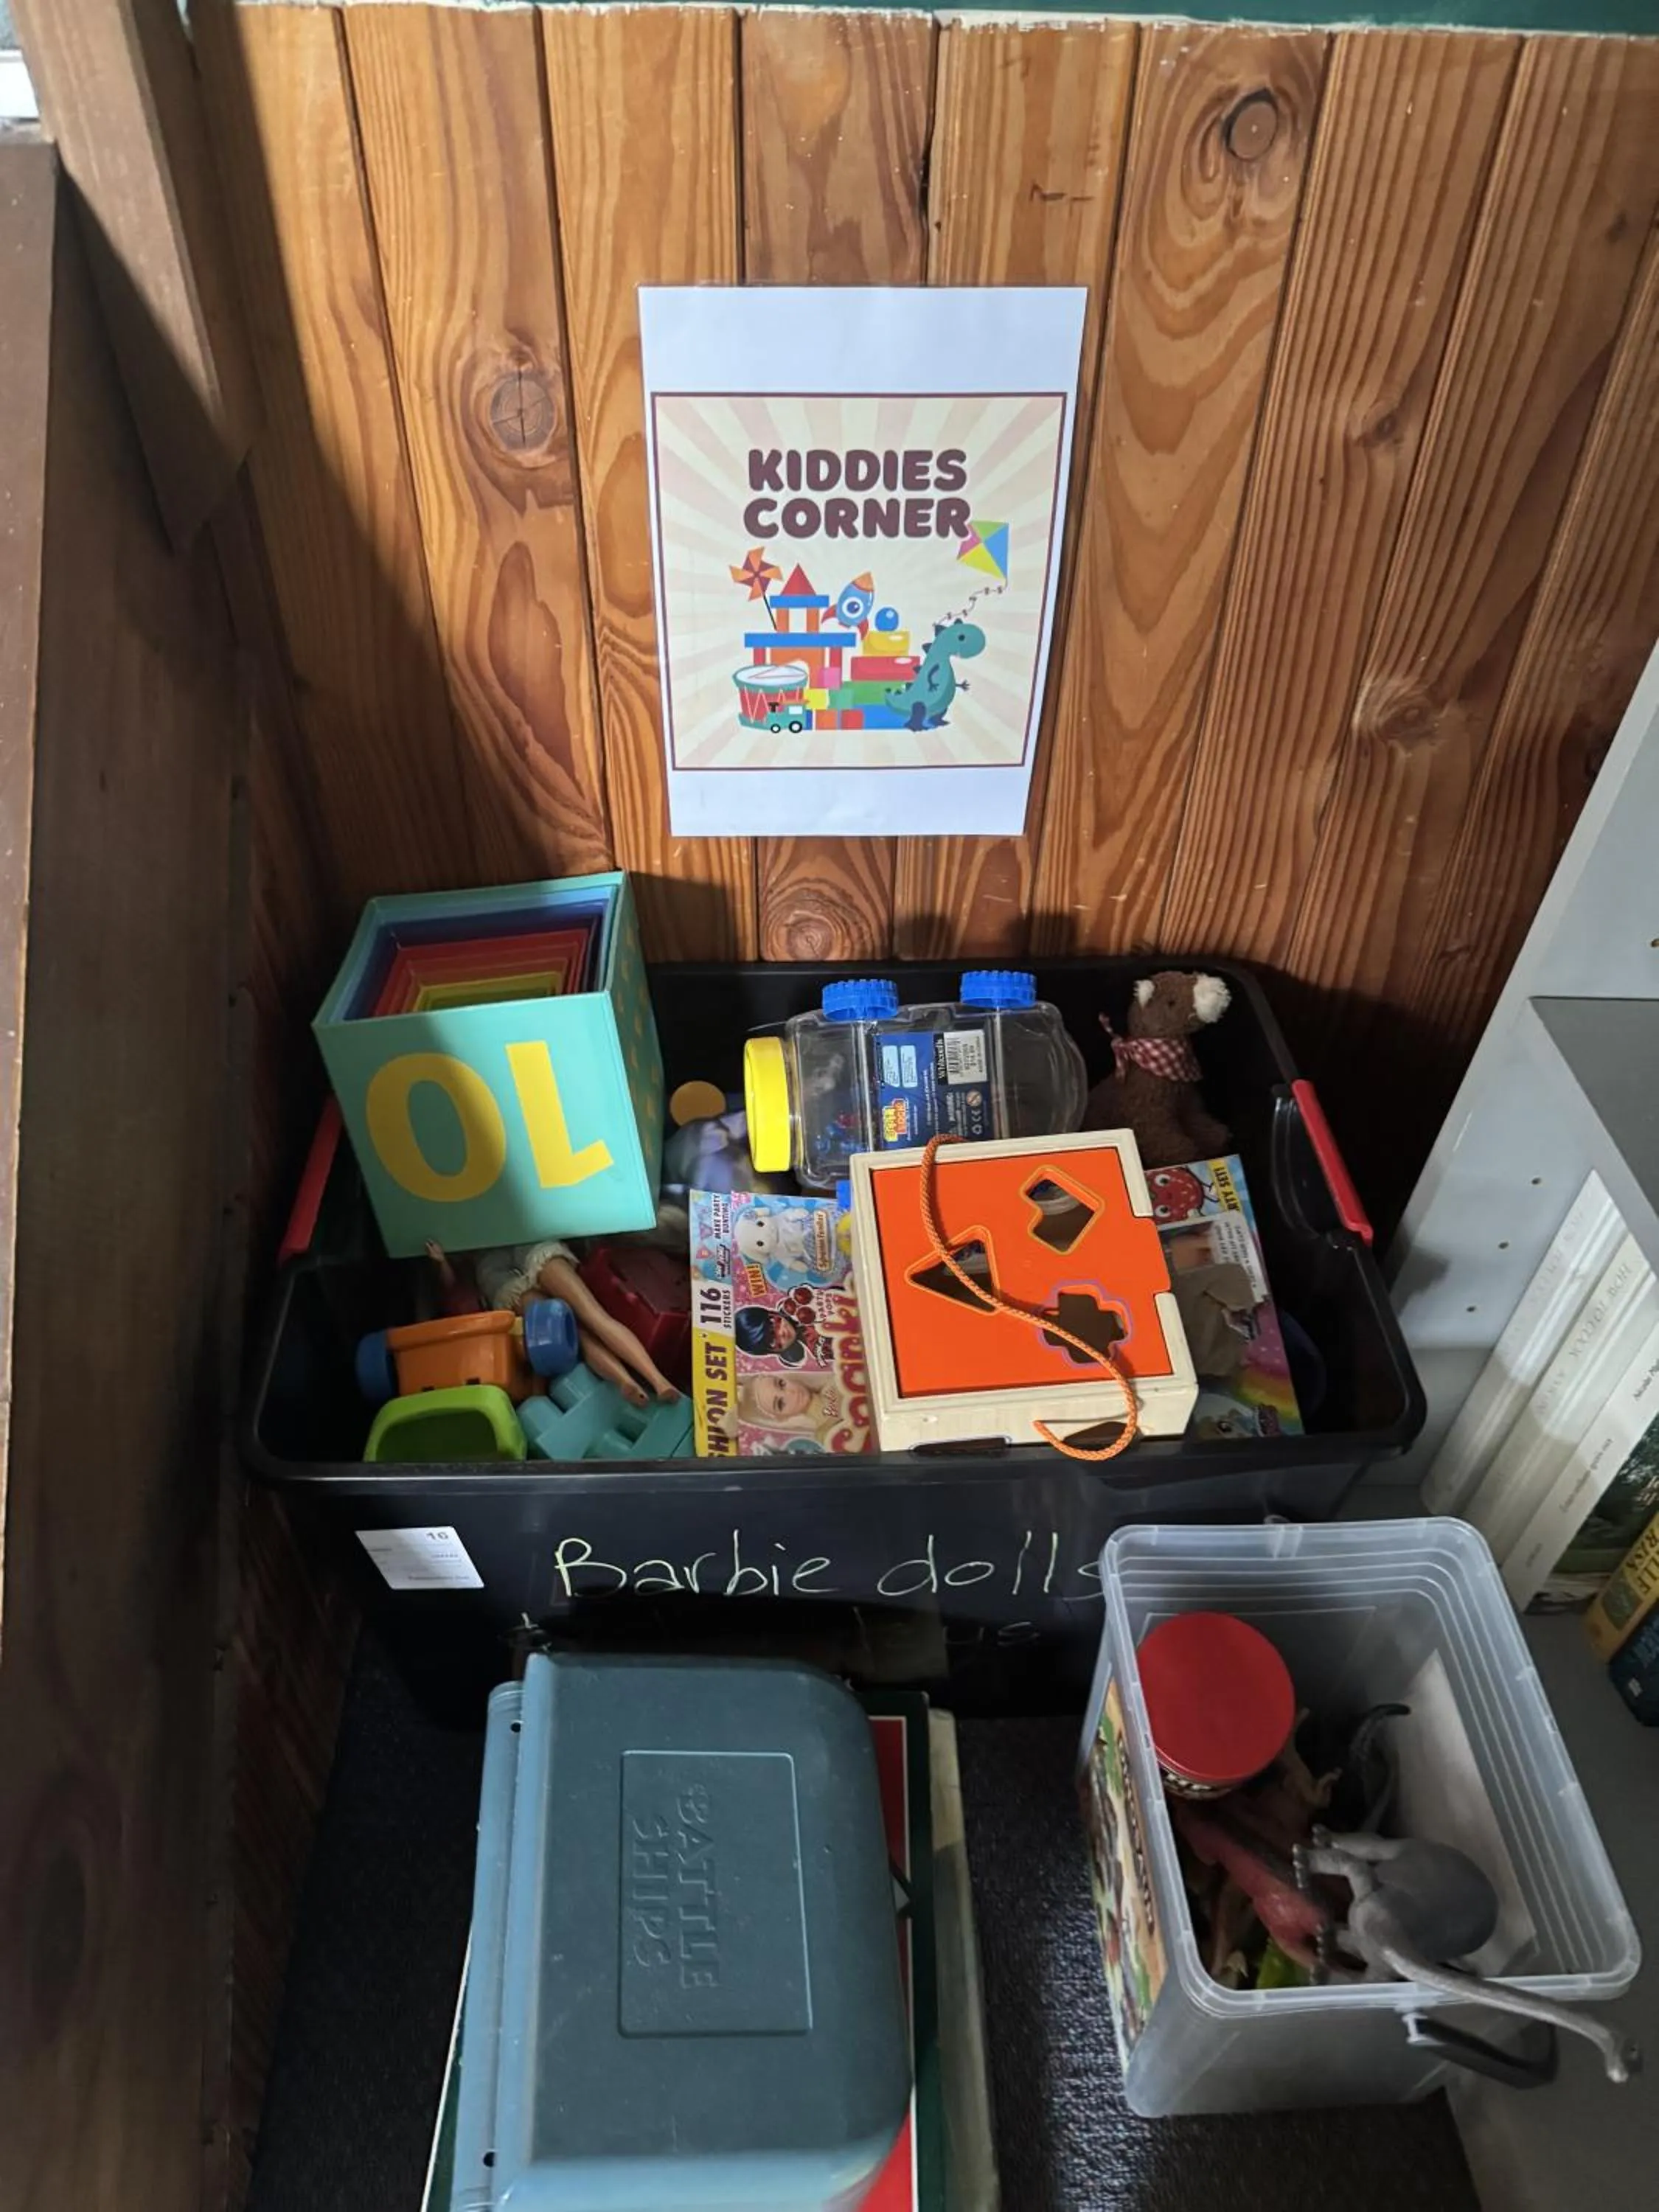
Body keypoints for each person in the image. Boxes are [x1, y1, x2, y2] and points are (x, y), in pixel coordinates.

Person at [733, 1305, 807, 1366]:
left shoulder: (796, 1305)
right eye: (772, 1341)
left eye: (773, 1324)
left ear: (774, 1314)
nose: (781, 1333)